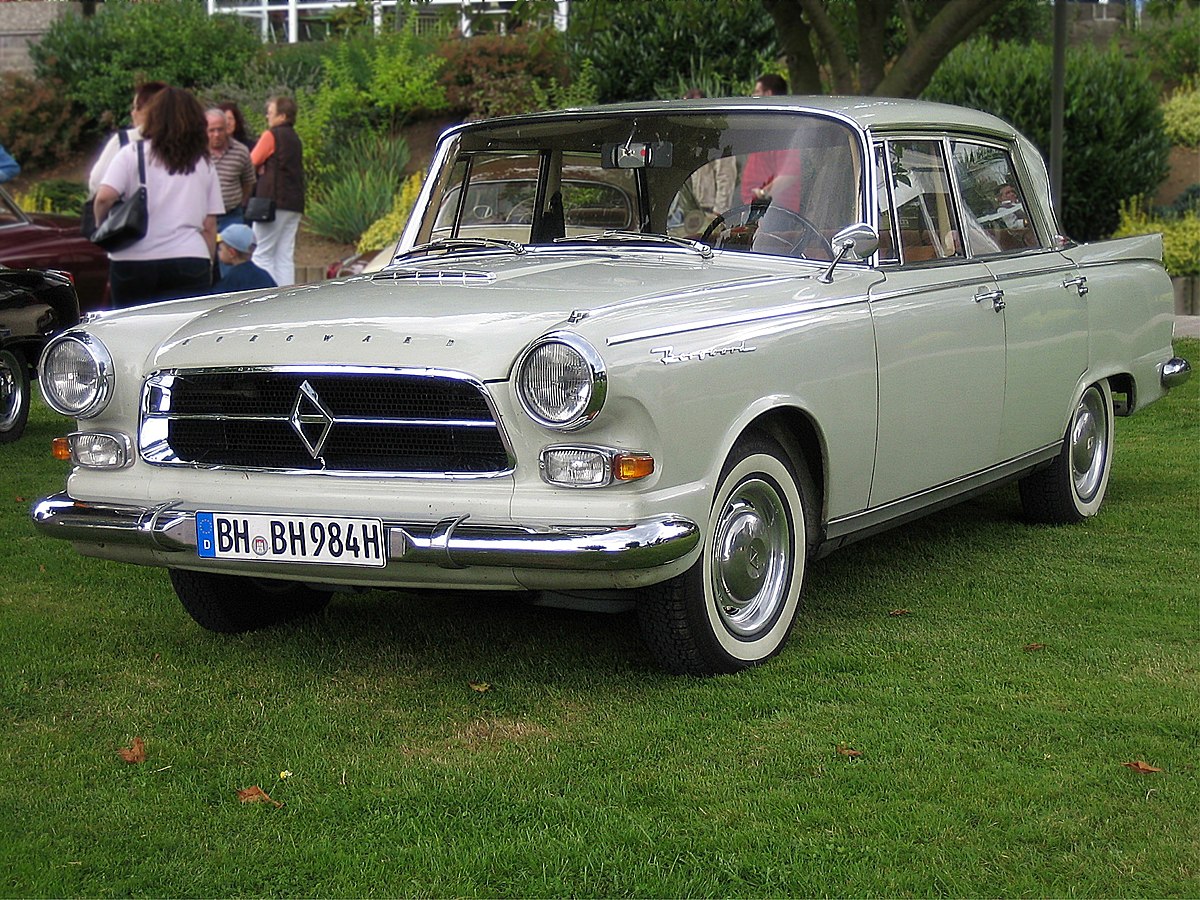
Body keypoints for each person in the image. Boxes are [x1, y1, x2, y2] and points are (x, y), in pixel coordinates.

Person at [94, 86, 223, 307]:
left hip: (132, 258)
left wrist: (102, 225)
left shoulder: (131, 154)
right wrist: (208, 262)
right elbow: (209, 225)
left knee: (130, 331)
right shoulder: (203, 163)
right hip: (189, 257)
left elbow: (104, 197)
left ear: (153, 117)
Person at [249, 95, 305, 287]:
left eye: (271, 112)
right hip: (294, 204)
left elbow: (251, 162)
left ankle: (266, 297)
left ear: (282, 116)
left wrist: (260, 167)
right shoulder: (295, 139)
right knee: (284, 255)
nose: (267, 116)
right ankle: (286, 299)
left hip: (271, 204)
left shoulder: (271, 135)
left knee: (262, 253)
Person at [87, 81, 167, 196]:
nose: (133, 113)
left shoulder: (124, 140)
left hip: (129, 211)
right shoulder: (187, 145)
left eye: (136, 108)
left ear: (149, 110)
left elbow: (96, 182)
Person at [740, 73, 803, 211]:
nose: (752, 96)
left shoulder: (782, 130)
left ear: (768, 93)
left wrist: (763, 195)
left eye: (757, 92)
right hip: (760, 210)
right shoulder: (767, 129)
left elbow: (789, 175)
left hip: (776, 212)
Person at [206, 108, 256, 232]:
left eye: (220, 129)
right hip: (203, 216)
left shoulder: (241, 151)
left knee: (233, 251)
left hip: (231, 215)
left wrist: (241, 203)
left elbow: (248, 182)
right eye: (211, 130)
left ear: (227, 129)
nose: (216, 134)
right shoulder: (196, 153)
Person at [210, 224, 276, 293]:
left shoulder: (232, 279)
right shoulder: (264, 275)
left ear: (231, 253)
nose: (218, 252)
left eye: (220, 249)